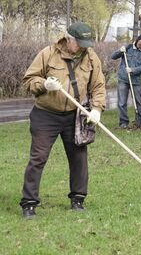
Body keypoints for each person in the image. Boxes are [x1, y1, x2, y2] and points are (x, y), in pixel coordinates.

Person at [19, 22, 107, 219]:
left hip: (74, 116)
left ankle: (78, 199)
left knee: (79, 158)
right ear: (69, 39)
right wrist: (44, 84)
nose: (84, 47)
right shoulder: (47, 53)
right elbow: (28, 80)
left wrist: (97, 109)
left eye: (86, 42)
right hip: (45, 114)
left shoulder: (91, 57)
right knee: (38, 158)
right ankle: (29, 203)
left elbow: (99, 85)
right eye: (80, 42)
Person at [111, 34, 141, 129]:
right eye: (140, 44)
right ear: (136, 42)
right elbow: (113, 56)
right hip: (123, 79)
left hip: (136, 81)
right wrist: (120, 51)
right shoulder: (127, 48)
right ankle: (123, 123)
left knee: (138, 102)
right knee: (122, 102)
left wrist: (132, 70)